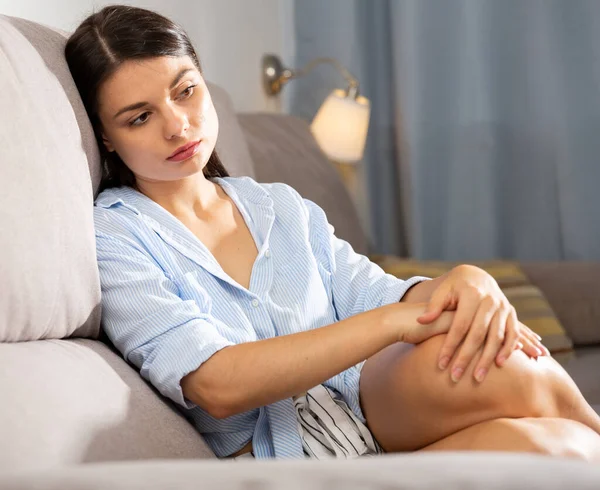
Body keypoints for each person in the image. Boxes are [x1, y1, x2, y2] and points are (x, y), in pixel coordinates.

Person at [65, 5, 600, 462]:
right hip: (293, 459)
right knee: (557, 451)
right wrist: (392, 323)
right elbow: (217, 385)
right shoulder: (116, 236)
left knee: (525, 379)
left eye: (186, 91)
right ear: (106, 138)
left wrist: (467, 281)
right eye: (139, 118)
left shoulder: (277, 204)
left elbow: (373, 291)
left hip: (376, 410)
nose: (178, 125)